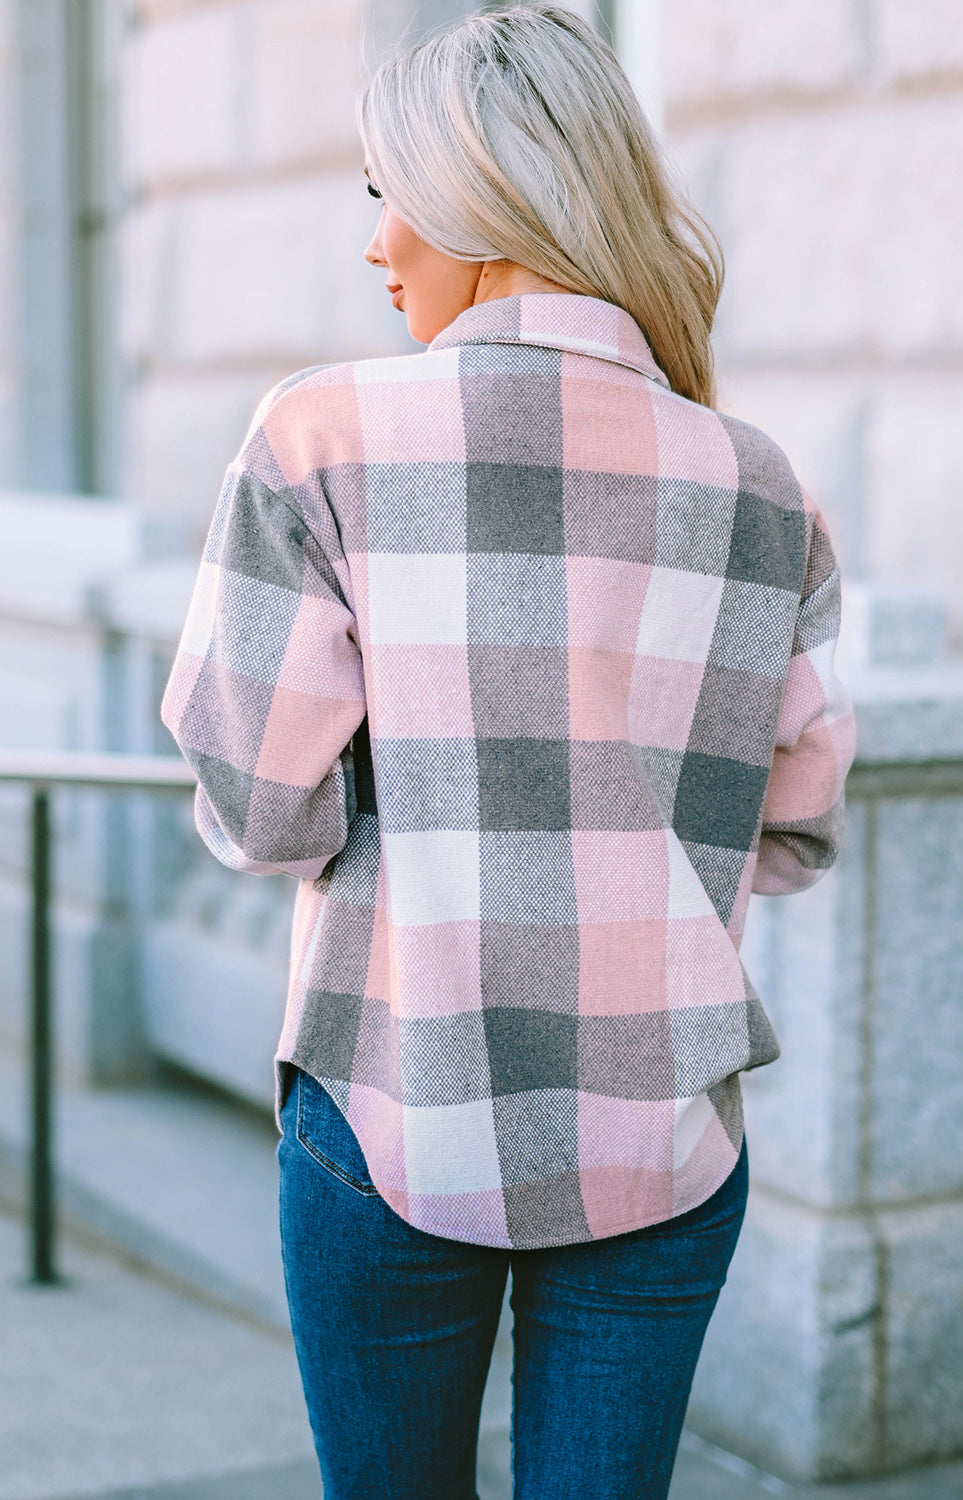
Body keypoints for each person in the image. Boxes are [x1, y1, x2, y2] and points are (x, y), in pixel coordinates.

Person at [162, 6, 856, 1496]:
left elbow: (257, 809)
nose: (376, 246)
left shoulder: (317, 437)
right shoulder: (755, 480)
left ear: (480, 201)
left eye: (384, 196)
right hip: (663, 1128)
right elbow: (794, 828)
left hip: (391, 1097)